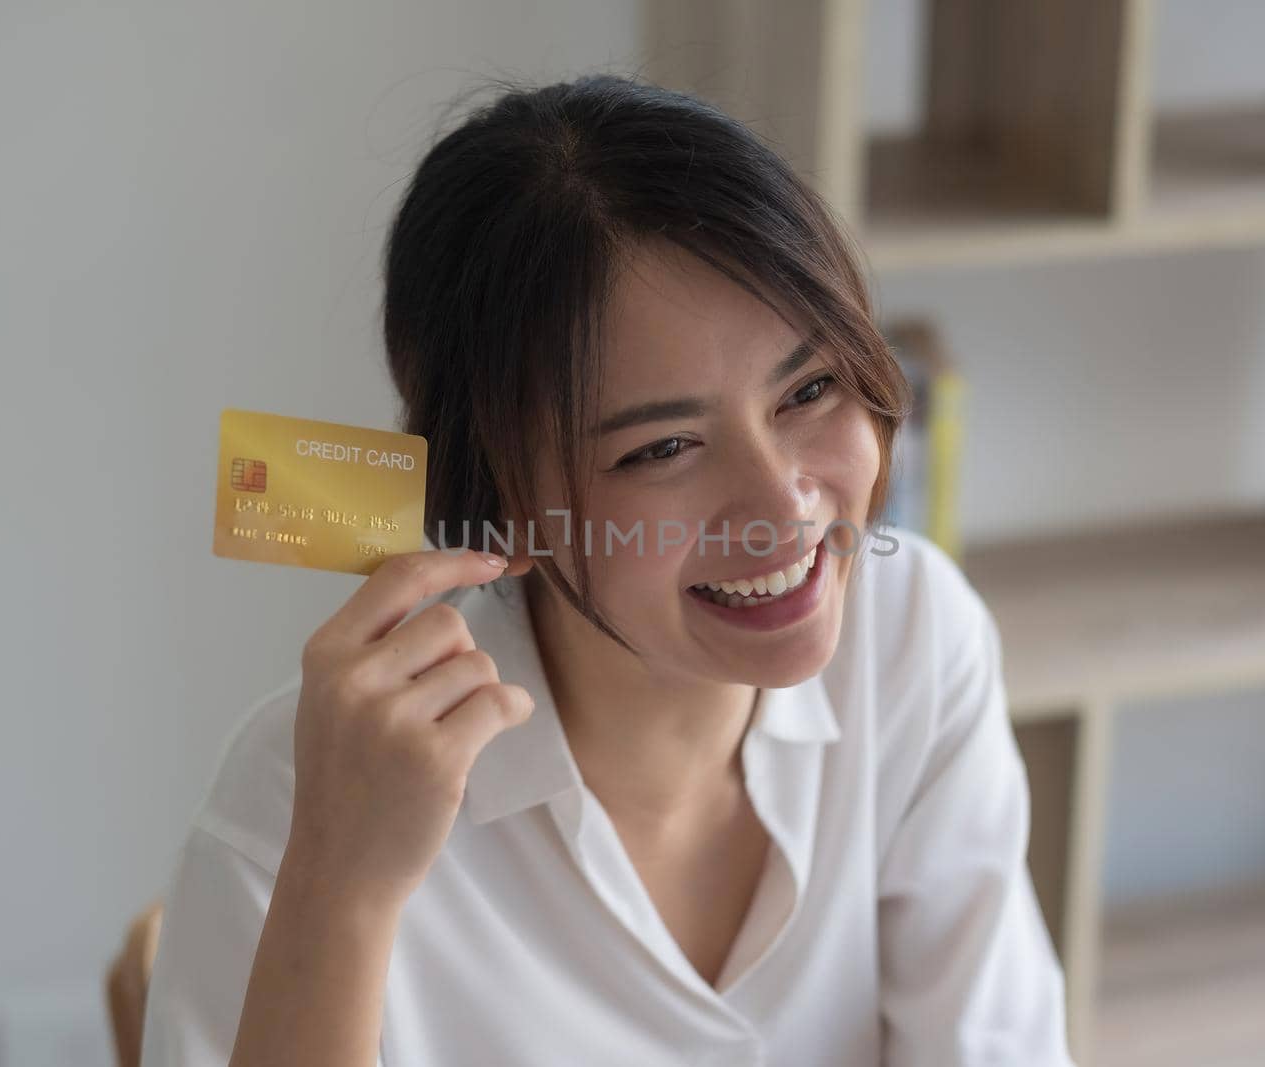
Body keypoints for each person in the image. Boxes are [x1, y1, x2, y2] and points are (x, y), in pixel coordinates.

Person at [140, 73, 1074, 1067]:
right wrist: (344, 884)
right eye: (662, 448)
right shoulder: (308, 792)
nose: (782, 509)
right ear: (499, 498)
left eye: (809, 387)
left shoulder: (913, 632)